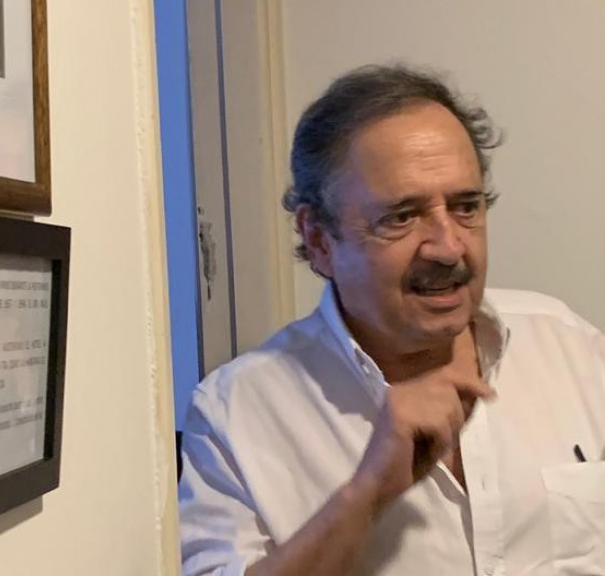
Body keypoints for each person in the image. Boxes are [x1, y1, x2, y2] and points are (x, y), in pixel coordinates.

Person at [179, 64, 605, 576]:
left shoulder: (569, 346)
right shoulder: (235, 415)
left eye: (465, 206)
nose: (448, 247)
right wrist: (368, 493)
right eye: (401, 217)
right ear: (318, 239)